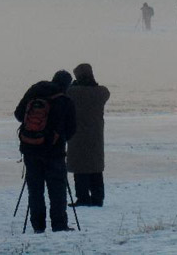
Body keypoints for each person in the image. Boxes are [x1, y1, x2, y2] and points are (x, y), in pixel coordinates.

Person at [14, 70, 76, 233]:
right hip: (54, 153)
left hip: (30, 149)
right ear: (67, 85)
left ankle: (38, 226)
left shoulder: (35, 91)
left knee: (35, 190)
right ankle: (59, 225)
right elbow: (71, 130)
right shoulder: (65, 100)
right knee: (57, 190)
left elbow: (19, 115)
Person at [66, 63, 110, 207]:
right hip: (96, 135)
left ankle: (83, 198)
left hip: (77, 135)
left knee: (80, 169)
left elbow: (67, 92)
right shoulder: (101, 92)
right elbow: (105, 91)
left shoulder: (73, 92)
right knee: (95, 168)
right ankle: (98, 198)